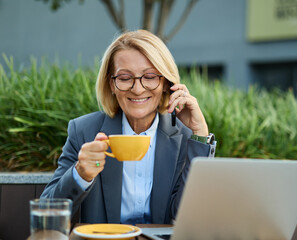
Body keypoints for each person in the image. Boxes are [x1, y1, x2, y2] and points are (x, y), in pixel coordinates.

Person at [41, 30, 216, 225]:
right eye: (125, 78)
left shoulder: (184, 136)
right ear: (112, 85)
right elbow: (47, 212)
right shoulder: (84, 131)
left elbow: (188, 215)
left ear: (166, 83)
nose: (138, 89)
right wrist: (80, 174)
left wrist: (200, 134)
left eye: (149, 76)